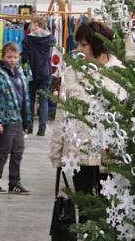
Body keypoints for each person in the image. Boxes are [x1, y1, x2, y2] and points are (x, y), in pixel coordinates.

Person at [49, 21, 122, 201]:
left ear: (99, 44)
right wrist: (57, 152)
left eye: (84, 44)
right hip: (79, 152)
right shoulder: (71, 74)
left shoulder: (120, 74)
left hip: (110, 154)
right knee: (85, 207)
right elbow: (62, 114)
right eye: (79, 44)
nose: (79, 49)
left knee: (109, 207)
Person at [0, 42, 32, 194]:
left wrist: (27, 121)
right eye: (9, 57)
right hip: (5, 119)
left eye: (15, 57)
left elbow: (25, 98)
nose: (12, 60)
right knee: (4, 151)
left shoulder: (19, 72)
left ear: (19, 58)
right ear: (3, 57)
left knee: (18, 150)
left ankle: (14, 182)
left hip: (17, 119)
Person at [23, 15, 55, 136]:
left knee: (30, 100)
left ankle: (30, 127)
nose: (30, 27)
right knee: (44, 100)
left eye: (31, 24)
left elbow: (25, 58)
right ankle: (42, 128)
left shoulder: (27, 39)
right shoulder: (50, 38)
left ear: (37, 24)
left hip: (32, 73)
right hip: (45, 72)